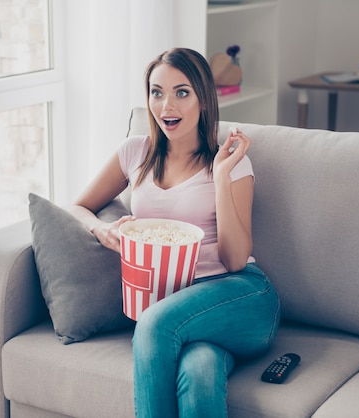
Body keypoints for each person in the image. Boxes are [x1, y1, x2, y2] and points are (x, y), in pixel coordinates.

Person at [69, 47, 280, 418]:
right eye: (156, 92)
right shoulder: (135, 152)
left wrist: (220, 176)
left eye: (182, 92)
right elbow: (77, 206)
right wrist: (100, 229)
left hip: (241, 294)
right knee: (199, 371)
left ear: (203, 98)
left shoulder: (233, 161)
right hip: (177, 304)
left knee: (152, 321)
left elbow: (233, 259)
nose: (167, 105)